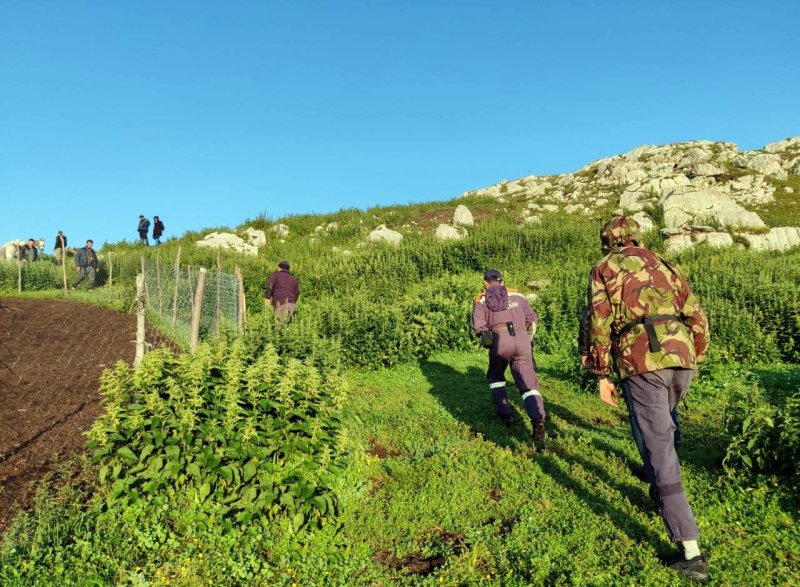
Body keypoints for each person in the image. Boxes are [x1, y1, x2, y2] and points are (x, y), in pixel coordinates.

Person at [581, 215, 710, 583]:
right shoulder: (665, 262)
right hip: (681, 355)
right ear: (636, 236)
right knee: (665, 430)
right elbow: (695, 313)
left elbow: (599, 320)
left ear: (607, 240)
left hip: (641, 358)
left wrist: (601, 372)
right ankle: (662, 492)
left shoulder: (604, 267)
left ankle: (690, 551)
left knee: (658, 447)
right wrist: (695, 353)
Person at [471, 269, 546, 448]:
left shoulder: (481, 299)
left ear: (485, 283)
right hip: (522, 339)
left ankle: (506, 416)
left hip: (500, 340)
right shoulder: (519, 295)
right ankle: (538, 419)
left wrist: (489, 342)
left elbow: (479, 328)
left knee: (496, 378)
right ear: (502, 281)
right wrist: (527, 339)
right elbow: (532, 320)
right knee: (528, 385)